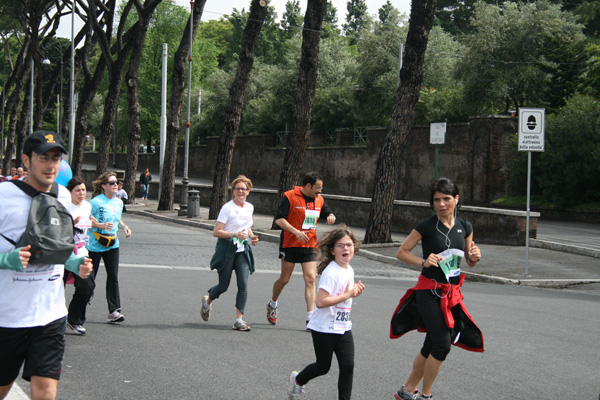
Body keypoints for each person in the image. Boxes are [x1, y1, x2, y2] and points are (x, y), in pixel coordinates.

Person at [0, 131, 93, 400]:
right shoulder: (4, 195)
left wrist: (75, 262)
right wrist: (6, 259)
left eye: (56, 158)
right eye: (43, 157)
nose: (51, 164)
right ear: (26, 160)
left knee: (45, 389)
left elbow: (57, 245)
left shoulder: (63, 196)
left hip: (49, 315)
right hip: (7, 317)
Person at [390, 178, 483, 400]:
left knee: (431, 343)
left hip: (451, 294)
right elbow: (402, 252)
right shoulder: (426, 226)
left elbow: (469, 260)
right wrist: (423, 261)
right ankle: (425, 395)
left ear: (456, 199)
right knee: (442, 344)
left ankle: (406, 390)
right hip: (428, 292)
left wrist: (475, 258)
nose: (441, 204)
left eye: (446, 199)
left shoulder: (465, 227)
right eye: (436, 200)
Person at [288, 228, 365, 400]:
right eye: (340, 245)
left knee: (348, 366)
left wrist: (353, 293)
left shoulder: (349, 269)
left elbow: (344, 296)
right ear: (332, 250)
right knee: (323, 367)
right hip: (324, 327)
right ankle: (298, 380)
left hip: (343, 326)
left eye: (349, 245)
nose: (345, 248)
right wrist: (347, 295)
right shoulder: (331, 272)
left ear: (354, 247)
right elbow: (320, 302)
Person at [267, 172, 336, 327]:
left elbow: (326, 211)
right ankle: (272, 303)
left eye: (321, 188)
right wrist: (295, 232)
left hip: (309, 243)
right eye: (318, 188)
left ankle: (311, 317)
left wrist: (331, 215)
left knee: (310, 278)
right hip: (291, 243)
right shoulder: (290, 196)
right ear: (307, 186)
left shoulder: (319, 199)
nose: (320, 191)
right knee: (285, 279)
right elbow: (279, 219)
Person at [70, 171, 132, 326]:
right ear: (104, 186)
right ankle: (79, 311)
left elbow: (117, 218)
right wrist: (98, 225)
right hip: (95, 245)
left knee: (113, 277)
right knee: (89, 280)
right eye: (112, 183)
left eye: (116, 182)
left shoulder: (119, 202)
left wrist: (125, 227)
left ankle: (114, 311)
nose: (115, 185)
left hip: (112, 244)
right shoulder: (96, 202)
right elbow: (86, 218)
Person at [201, 175, 259, 331]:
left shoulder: (249, 207)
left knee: (243, 285)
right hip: (227, 249)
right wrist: (234, 235)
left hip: (242, 250)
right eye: (238, 188)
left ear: (248, 191)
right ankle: (208, 300)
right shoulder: (227, 208)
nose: (241, 191)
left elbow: (247, 226)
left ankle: (239, 320)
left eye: (244, 189)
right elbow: (216, 232)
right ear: (233, 191)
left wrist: (252, 237)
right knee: (223, 286)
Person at [64, 177, 94, 335]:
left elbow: (89, 222)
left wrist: (95, 223)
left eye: (83, 190)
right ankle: (53, 320)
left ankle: (74, 319)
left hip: (81, 251)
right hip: (64, 251)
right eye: (78, 190)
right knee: (56, 287)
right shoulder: (64, 206)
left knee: (87, 287)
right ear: (70, 192)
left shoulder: (87, 206)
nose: (82, 193)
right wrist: (71, 223)